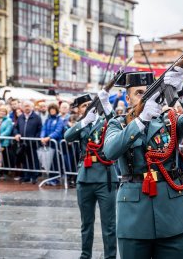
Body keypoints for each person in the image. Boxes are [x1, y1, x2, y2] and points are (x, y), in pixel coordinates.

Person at [104, 67, 183, 259]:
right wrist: (141, 120)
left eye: (148, 91)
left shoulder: (168, 120)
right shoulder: (119, 124)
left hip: (169, 212)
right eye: (139, 93)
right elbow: (110, 151)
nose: (144, 97)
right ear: (128, 98)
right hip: (134, 213)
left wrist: (182, 90)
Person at [64, 92, 119, 259]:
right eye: (84, 106)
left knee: (108, 224)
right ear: (81, 110)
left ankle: (110, 256)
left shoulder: (106, 122)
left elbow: (117, 124)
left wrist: (107, 105)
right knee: (86, 223)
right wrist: (84, 121)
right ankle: (85, 255)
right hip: (85, 177)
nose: (89, 109)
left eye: (92, 105)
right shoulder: (82, 124)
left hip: (105, 177)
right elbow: (67, 137)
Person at [13, 100, 42, 184]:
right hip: (23, 143)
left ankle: (34, 177)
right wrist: (17, 134)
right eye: (25, 106)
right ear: (22, 107)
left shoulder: (37, 117)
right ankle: (26, 176)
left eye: (28, 106)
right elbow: (15, 128)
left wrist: (35, 139)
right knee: (25, 160)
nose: (27, 108)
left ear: (32, 107)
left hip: (33, 143)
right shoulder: (20, 117)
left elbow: (40, 130)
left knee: (33, 160)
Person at [40, 103, 64, 186]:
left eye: (53, 109)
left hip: (56, 144)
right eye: (51, 109)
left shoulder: (59, 119)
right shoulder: (48, 119)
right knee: (49, 162)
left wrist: (48, 137)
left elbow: (58, 131)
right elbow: (43, 129)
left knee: (56, 162)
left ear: (56, 110)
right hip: (48, 144)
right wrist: (42, 137)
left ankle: (55, 179)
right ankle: (50, 178)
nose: (52, 111)